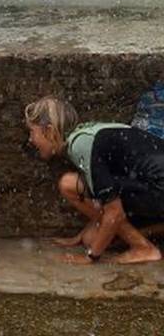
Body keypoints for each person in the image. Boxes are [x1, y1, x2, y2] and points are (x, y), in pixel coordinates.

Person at [24, 96, 164, 264]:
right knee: (91, 238)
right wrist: (82, 234)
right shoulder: (90, 132)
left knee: (68, 184)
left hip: (158, 188)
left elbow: (114, 211)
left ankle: (143, 248)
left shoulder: (81, 145)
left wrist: (90, 256)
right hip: (153, 185)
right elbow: (107, 191)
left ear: (49, 131)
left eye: (32, 132)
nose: (30, 140)